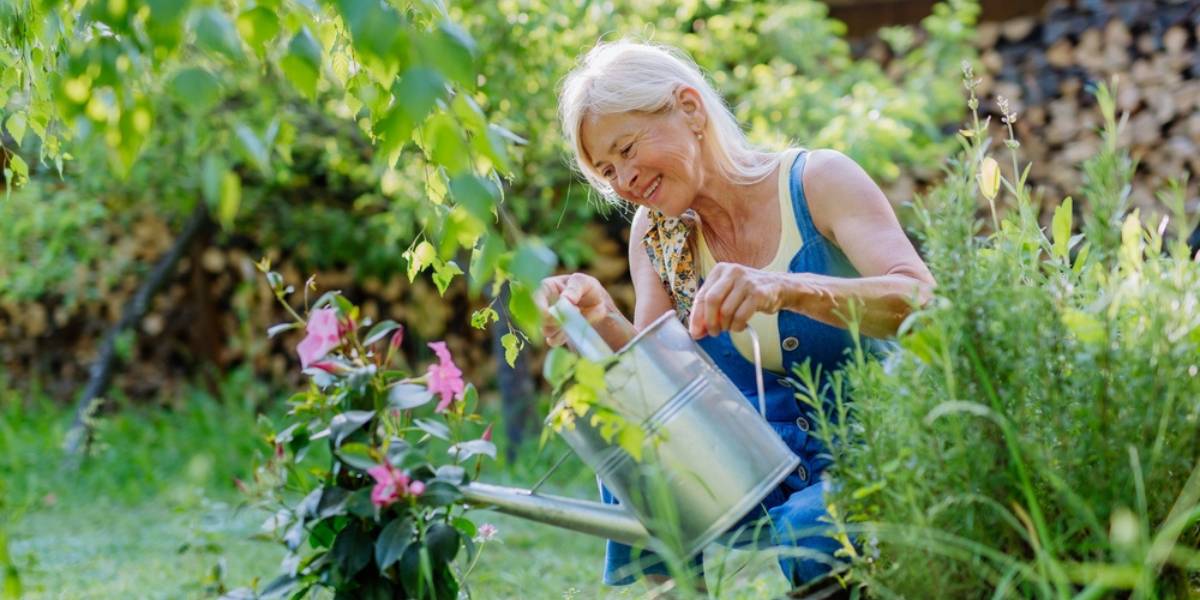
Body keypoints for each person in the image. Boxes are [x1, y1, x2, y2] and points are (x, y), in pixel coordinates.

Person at [536, 39, 935, 594]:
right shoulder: (655, 234)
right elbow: (664, 392)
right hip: (758, 467)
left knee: (809, 528)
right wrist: (602, 319)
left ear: (690, 109)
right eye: (607, 170)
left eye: (626, 149)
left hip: (873, 454)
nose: (622, 180)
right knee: (629, 430)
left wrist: (787, 289)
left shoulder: (817, 182)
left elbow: (922, 303)